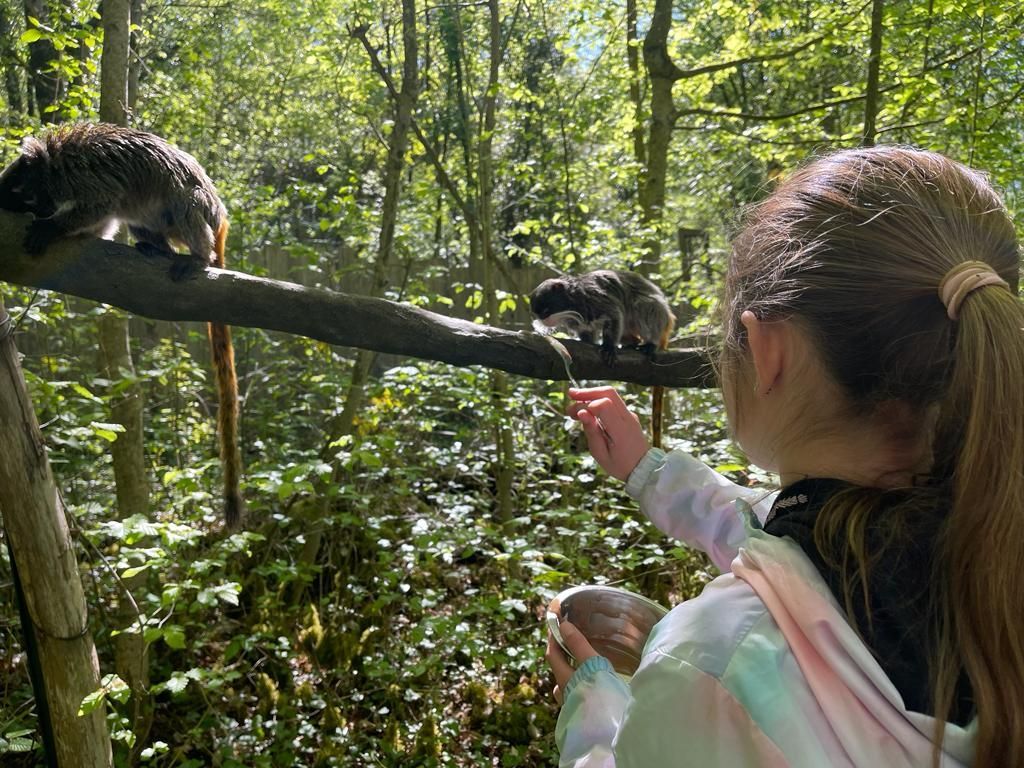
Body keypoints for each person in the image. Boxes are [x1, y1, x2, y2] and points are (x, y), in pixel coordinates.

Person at [545, 146, 1024, 767]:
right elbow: (781, 534)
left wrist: (593, 712)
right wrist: (647, 468)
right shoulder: (984, 525)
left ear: (767, 349)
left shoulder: (709, 666)